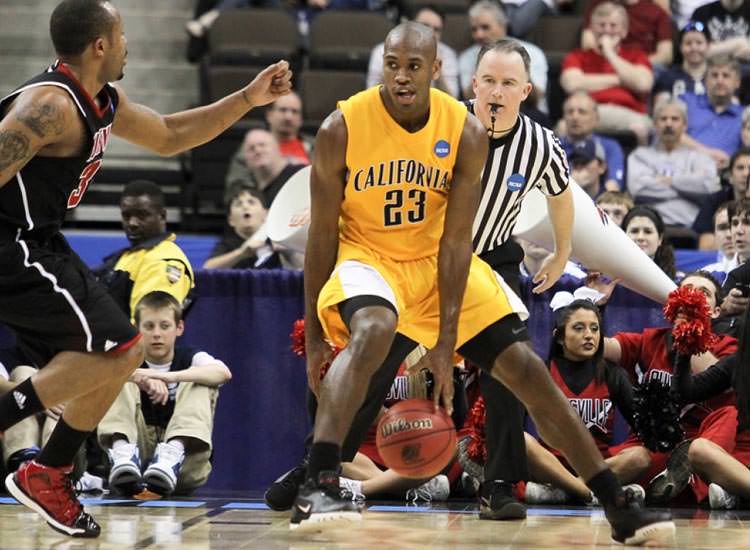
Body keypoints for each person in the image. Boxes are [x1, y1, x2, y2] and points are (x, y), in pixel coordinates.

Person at [297, 23, 674, 544]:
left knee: (524, 370)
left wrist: (447, 342)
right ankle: (318, 481)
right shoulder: (343, 125)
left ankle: (615, 504)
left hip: (440, 262)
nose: (401, 77)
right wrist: (314, 334)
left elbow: (455, 244)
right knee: (374, 330)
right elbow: (321, 235)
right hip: (371, 258)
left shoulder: (465, 132)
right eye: (392, 64)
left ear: (437, 71)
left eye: (414, 67)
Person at [0, 0, 290, 537]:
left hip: (41, 240)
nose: (130, 43)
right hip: (12, 243)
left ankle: (49, 470)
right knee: (117, 350)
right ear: (101, 46)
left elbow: (171, 135)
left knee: (121, 350)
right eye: (123, 33)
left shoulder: (101, 101)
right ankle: (43, 465)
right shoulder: (51, 105)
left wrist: (249, 97)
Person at [602, 271, 739, 504]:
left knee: (724, 421)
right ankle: (568, 485)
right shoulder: (651, 339)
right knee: (635, 458)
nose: (693, 297)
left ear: (716, 311)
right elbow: (599, 348)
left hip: (699, 443)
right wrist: (594, 305)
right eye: (686, 291)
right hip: (653, 442)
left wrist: (689, 334)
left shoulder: (728, 347)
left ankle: (659, 483)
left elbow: (716, 379)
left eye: (703, 293)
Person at [98, 292, 231, 496]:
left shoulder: (191, 357)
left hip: (183, 465)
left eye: (165, 326)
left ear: (179, 328)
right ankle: (122, 452)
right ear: (137, 329)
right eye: (149, 326)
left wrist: (171, 377)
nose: (157, 334)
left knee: (200, 379)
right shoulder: (127, 357)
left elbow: (223, 373)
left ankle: (171, 455)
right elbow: (94, 373)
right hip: (135, 461)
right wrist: (137, 377)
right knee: (119, 374)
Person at [523, 298, 640, 504]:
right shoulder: (541, 372)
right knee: (522, 441)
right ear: (559, 337)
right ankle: (588, 492)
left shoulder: (613, 374)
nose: (589, 335)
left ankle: (563, 491)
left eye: (594, 329)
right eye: (578, 328)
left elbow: (641, 425)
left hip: (600, 464)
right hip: (553, 464)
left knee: (639, 456)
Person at [671, 303, 750, 509]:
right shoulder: (739, 362)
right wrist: (684, 353)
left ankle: (734, 493)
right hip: (742, 457)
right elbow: (685, 393)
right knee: (699, 450)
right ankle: (735, 492)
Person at [96, 180, 195, 319]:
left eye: (142, 215)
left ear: (162, 216)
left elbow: (148, 326)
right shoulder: (125, 257)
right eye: (126, 216)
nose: (132, 223)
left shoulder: (163, 262)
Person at [560, 1, 654, 144]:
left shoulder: (637, 56)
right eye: (601, 25)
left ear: (624, 30)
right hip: (586, 113)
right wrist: (620, 80)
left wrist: (610, 53)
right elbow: (572, 84)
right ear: (591, 29)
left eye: (613, 25)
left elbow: (643, 84)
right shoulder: (577, 56)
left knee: (645, 128)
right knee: (562, 127)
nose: (607, 30)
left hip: (629, 114)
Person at [626, 98, 720, 228]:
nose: (668, 124)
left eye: (675, 119)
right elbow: (639, 190)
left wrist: (669, 181)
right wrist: (689, 186)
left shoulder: (700, 157)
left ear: (685, 125)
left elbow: (709, 187)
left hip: (692, 227)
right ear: (655, 124)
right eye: (663, 119)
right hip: (649, 227)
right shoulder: (639, 155)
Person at [458, 0, 548, 109]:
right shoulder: (467, 57)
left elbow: (536, 97)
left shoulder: (533, 52)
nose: (479, 35)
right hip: (483, 114)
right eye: (474, 29)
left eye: (485, 27)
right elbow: (470, 97)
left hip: (528, 113)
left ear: (503, 25)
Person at [367, 5, 460, 98]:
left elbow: (452, 99)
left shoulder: (447, 54)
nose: (430, 32)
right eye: (424, 26)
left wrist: (434, 65)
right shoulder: (382, 50)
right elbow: (372, 96)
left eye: (436, 30)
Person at [680, 54, 743, 169]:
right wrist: (706, 153)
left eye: (726, 76)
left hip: (725, 177)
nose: (719, 81)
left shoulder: (744, 116)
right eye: (714, 75)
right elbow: (669, 133)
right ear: (705, 80)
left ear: (737, 82)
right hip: (683, 168)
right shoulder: (686, 101)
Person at [203, 183, 280, 269]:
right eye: (238, 204)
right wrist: (241, 253)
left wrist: (288, 252)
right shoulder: (226, 244)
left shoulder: (276, 239)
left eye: (251, 202)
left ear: (266, 214)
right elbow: (207, 268)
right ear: (231, 220)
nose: (245, 206)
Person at [558, 92, 624, 191]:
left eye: (582, 112)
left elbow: (613, 187)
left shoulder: (610, 147)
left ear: (596, 118)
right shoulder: (553, 146)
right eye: (570, 112)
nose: (575, 117)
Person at [223, 128, 304, 206]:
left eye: (262, 145)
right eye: (251, 148)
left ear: (277, 148)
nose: (258, 150)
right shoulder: (248, 192)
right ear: (245, 159)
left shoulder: (300, 174)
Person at [581, 0, 673, 68]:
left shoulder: (656, 11)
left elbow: (666, 55)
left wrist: (633, 65)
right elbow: (588, 45)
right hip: (603, 62)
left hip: (642, 67)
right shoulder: (599, 5)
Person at [694, 147, 750, 248]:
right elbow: (705, 246)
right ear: (730, 176)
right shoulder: (714, 201)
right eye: (740, 168)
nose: (746, 173)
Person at [653, 21, 709, 106]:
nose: (694, 48)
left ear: (708, 45)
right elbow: (661, 111)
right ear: (680, 47)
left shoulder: (718, 76)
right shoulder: (668, 77)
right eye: (688, 43)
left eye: (699, 43)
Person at [621, 206, 679, 279]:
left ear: (660, 239)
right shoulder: (608, 276)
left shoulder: (676, 281)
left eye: (648, 232)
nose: (640, 237)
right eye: (634, 231)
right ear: (623, 236)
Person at [264, 92, 314, 165]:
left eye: (294, 111)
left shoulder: (317, 147)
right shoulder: (254, 148)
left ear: (301, 119)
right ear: (269, 115)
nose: (288, 117)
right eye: (283, 110)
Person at [721, 198, 750, 316]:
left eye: (747, 223)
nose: (738, 230)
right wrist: (723, 308)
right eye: (734, 223)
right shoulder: (711, 271)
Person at [700, 203, 739, 282]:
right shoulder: (705, 276)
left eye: (735, 225)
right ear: (714, 234)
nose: (729, 234)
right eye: (722, 228)